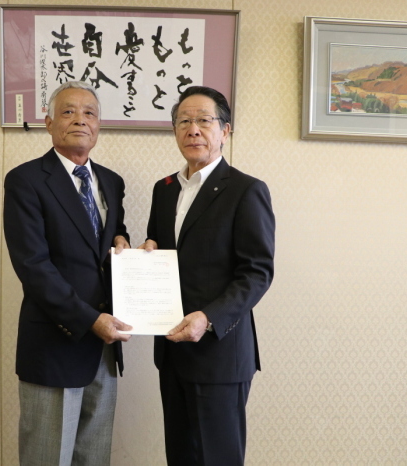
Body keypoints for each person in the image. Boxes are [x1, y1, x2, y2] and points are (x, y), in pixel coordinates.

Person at [142, 86, 275, 465]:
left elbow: (257, 272)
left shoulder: (246, 190)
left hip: (220, 351)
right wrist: (147, 253)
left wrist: (209, 318)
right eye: (183, 121)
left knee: (217, 458)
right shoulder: (164, 190)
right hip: (171, 349)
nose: (193, 129)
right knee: (181, 456)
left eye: (204, 120)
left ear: (225, 131)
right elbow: (163, 250)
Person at [3, 81, 132, 466]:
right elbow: (33, 266)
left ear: (99, 125)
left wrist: (124, 239)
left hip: (105, 349)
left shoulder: (110, 181)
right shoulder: (25, 180)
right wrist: (90, 319)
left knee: (94, 457)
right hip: (55, 343)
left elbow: (109, 235)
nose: (80, 119)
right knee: (48, 458)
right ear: (48, 122)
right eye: (68, 111)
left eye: (90, 112)